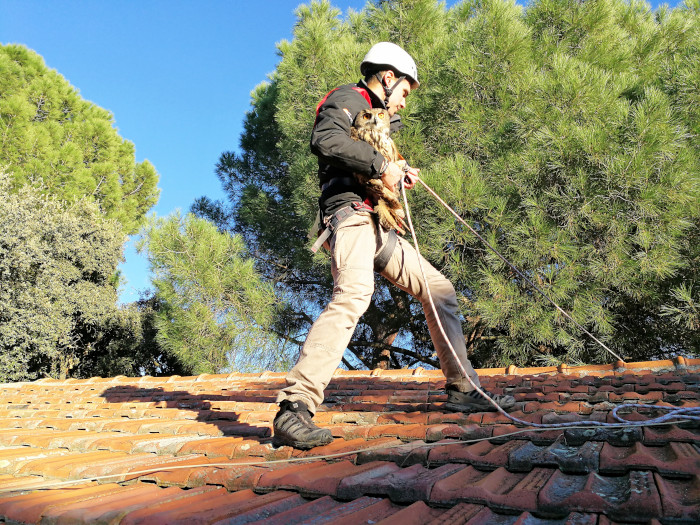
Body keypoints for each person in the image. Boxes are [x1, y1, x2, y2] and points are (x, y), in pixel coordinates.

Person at [273, 42, 515, 450]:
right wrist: (382, 165)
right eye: (405, 90)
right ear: (388, 77)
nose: (405, 100)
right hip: (350, 216)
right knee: (353, 294)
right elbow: (326, 140)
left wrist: (396, 170)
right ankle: (293, 408)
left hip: (379, 224)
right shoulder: (347, 98)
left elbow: (371, 158)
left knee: (439, 290)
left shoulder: (382, 121)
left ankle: (463, 388)